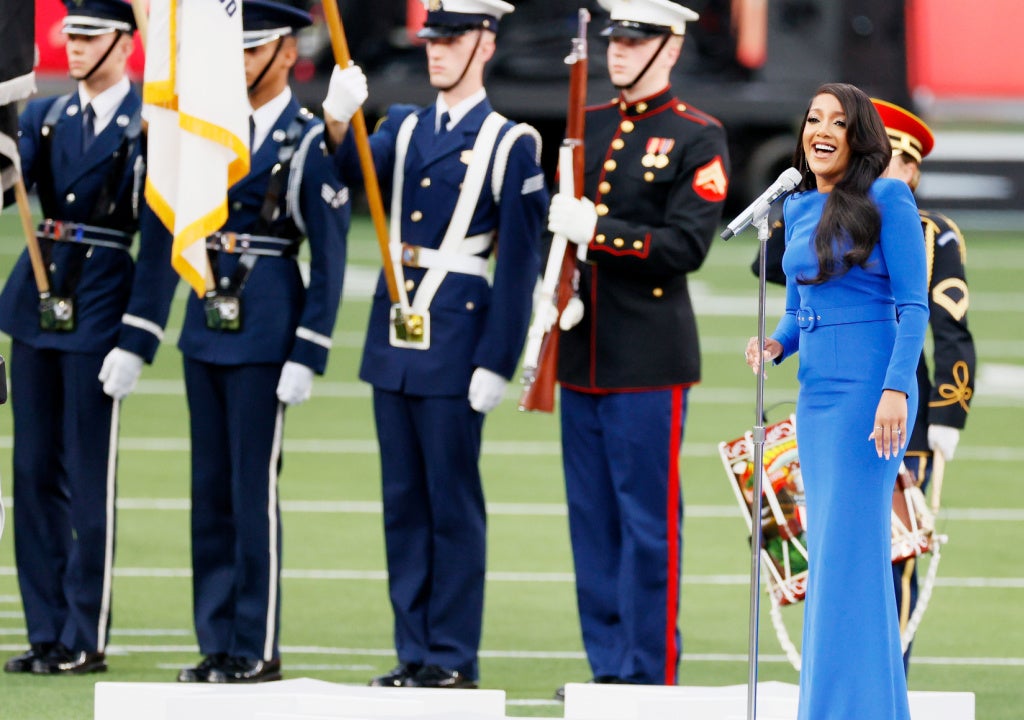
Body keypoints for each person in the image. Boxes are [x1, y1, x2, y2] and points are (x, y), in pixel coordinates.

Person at [320, 0, 548, 689]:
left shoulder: (512, 143)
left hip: (456, 338)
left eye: (450, 40)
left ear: (485, 42)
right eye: (431, 40)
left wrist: (495, 359)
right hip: (397, 337)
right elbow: (347, 175)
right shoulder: (404, 126)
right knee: (403, 504)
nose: (435, 51)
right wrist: (338, 116)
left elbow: (519, 265)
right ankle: (413, 649)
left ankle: (450, 655)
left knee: (451, 505)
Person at [544, 0, 730, 693]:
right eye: (616, 40)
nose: (618, 52)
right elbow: (557, 235)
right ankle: (607, 671)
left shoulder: (696, 137)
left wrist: (596, 229)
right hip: (581, 352)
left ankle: (648, 678)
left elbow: (685, 246)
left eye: (636, 40)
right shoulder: (585, 126)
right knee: (591, 526)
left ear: (671, 47)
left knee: (648, 529)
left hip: (648, 361)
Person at [171, 0, 350, 684]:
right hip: (205, 325)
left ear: (284, 54)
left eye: (252, 51)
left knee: (251, 493)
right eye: (234, 52)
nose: (240, 63)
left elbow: (330, 257)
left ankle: (256, 644)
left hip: (267, 326)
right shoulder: (211, 130)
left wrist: (309, 349)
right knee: (208, 491)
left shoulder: (304, 141)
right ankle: (216, 640)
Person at [0, 0, 173, 677]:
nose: (73, 47)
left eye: (90, 35)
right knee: (33, 473)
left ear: (124, 44)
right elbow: (12, 188)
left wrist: (140, 335)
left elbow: (159, 241)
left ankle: (83, 631)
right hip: (40, 298)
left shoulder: (151, 127)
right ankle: (44, 629)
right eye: (70, 34)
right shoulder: (44, 117)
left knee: (86, 478)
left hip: (102, 303)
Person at [744, 83, 927, 719]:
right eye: (813, 118)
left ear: (858, 136)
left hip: (867, 400)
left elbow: (912, 305)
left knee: (851, 562)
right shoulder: (797, 209)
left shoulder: (888, 198)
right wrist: (775, 344)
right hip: (817, 399)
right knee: (831, 562)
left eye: (838, 121)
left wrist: (896, 388)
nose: (821, 129)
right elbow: (799, 309)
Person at [873, 97, 976, 673]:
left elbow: (952, 332)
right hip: (838, 407)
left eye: (893, 161)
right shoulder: (831, 216)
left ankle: (893, 681)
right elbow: (767, 268)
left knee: (896, 557)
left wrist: (947, 416)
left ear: (912, 170)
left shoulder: (933, 235)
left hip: (904, 420)